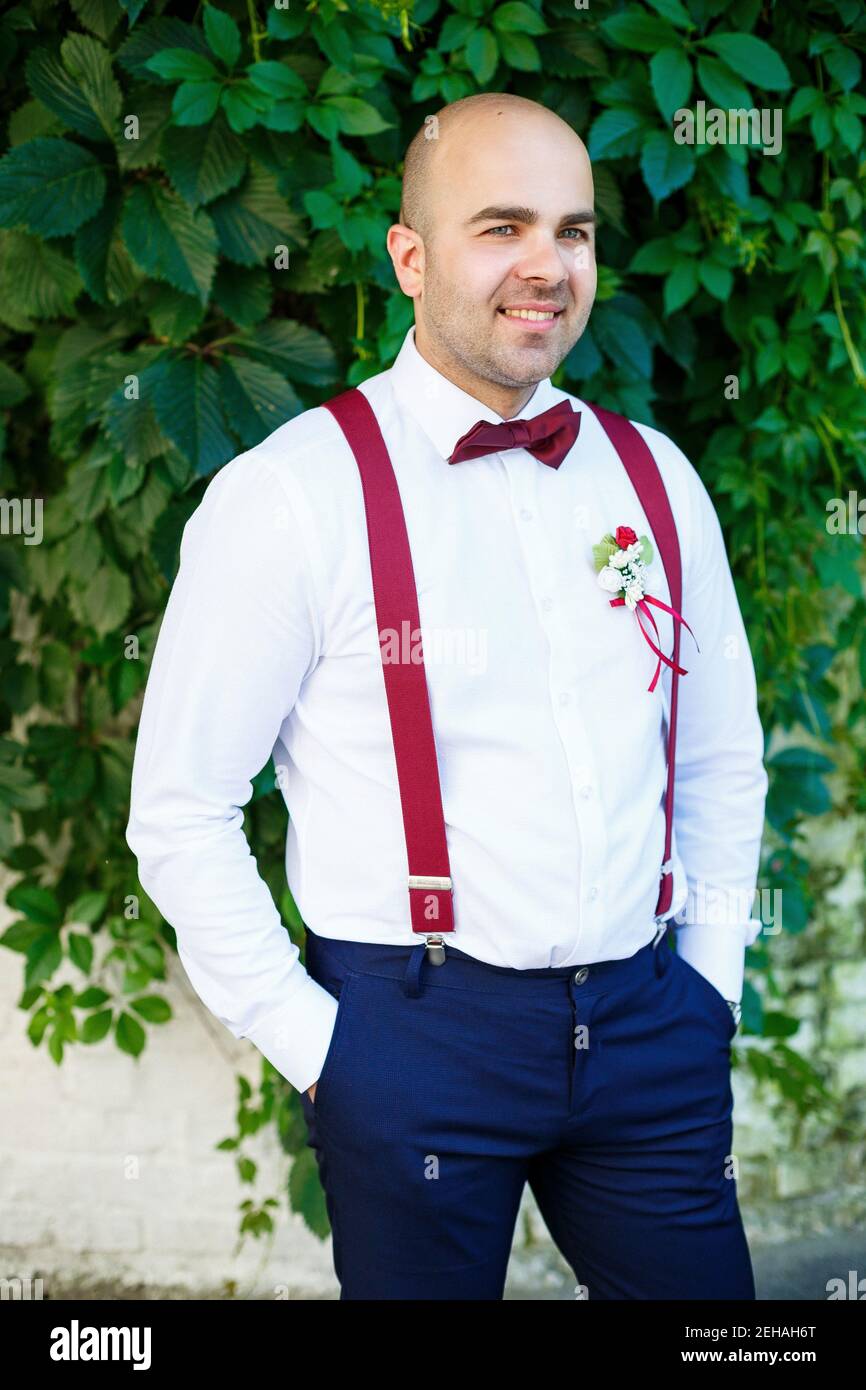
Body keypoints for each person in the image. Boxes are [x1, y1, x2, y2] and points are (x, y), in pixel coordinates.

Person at [125, 92, 768, 1300]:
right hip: (410, 1034)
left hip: (645, 1026)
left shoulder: (654, 479)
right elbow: (180, 809)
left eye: (572, 231)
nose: (546, 266)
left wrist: (709, 980)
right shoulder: (292, 498)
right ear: (409, 258)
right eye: (502, 226)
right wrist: (321, 1048)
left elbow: (718, 760)